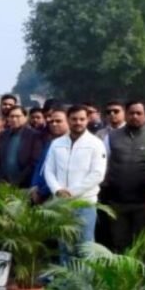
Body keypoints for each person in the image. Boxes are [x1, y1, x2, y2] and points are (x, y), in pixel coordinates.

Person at [44, 105, 107, 257]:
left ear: (87, 120)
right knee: (64, 245)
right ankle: (65, 273)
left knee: (84, 247)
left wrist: (71, 192)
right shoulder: (57, 143)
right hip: (61, 203)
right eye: (74, 119)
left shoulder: (96, 143)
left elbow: (97, 174)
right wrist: (57, 190)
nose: (78, 122)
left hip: (84, 203)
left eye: (82, 119)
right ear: (68, 120)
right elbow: (49, 170)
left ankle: (84, 274)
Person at [101, 101, 145, 252]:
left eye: (138, 113)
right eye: (131, 113)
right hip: (117, 202)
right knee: (119, 244)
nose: (134, 116)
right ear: (126, 114)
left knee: (144, 246)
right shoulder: (111, 137)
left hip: (144, 204)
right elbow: (103, 165)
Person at [0, 105, 42, 188]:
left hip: (25, 185)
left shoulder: (34, 136)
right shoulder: (2, 135)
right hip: (4, 184)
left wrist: (16, 181)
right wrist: (1, 179)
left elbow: (34, 163)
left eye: (18, 116)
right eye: (11, 116)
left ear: (25, 118)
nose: (14, 119)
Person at [29, 107, 69, 204]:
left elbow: (59, 173)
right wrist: (34, 186)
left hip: (56, 194)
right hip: (39, 192)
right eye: (51, 121)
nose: (54, 124)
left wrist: (42, 191)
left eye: (58, 121)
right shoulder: (51, 142)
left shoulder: (70, 145)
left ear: (68, 122)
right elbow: (40, 166)